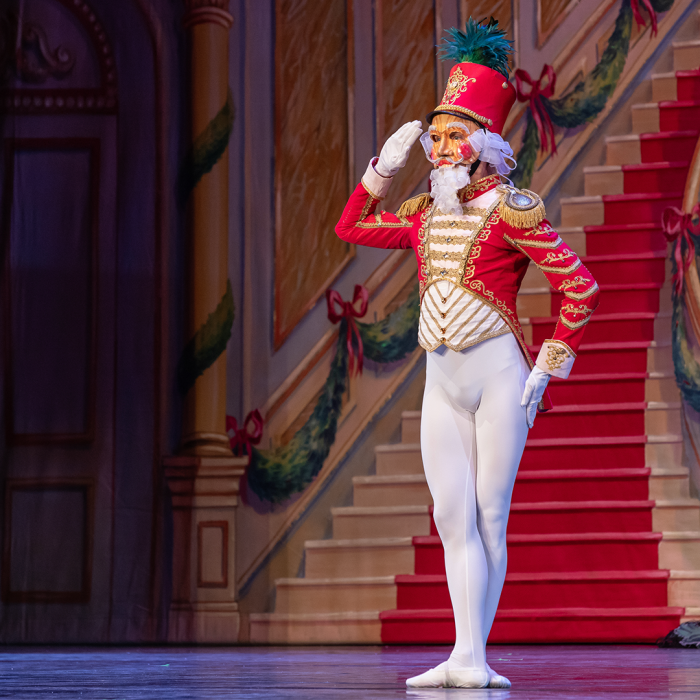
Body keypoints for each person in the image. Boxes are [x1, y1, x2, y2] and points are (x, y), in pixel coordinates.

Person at [336, 18, 599, 689]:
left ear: (484, 145)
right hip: (441, 381)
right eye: (436, 137)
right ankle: (462, 655)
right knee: (450, 517)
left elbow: (579, 284)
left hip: (500, 377)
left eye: (456, 136)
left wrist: (550, 363)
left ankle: (476, 657)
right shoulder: (423, 213)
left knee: (489, 515)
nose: (441, 149)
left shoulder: (512, 211)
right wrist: (381, 170)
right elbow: (351, 226)